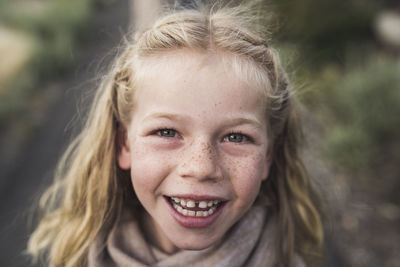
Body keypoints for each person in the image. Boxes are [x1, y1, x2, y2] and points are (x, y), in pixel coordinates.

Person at [28, 2, 323, 266]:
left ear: (269, 155)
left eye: (235, 137)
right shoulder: (76, 258)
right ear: (123, 144)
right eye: (167, 131)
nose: (201, 168)